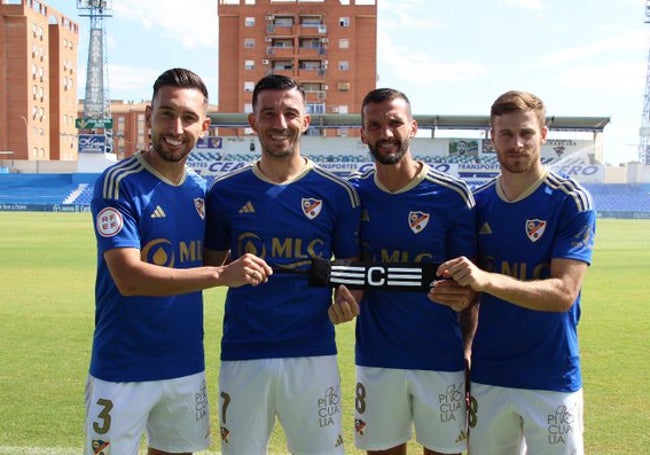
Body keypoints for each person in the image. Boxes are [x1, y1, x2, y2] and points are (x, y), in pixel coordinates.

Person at [85, 68, 272, 455]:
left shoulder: (203, 191)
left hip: (185, 366)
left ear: (203, 126)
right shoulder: (119, 182)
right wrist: (222, 275)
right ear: (150, 115)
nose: (176, 127)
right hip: (123, 369)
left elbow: (210, 261)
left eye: (188, 118)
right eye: (166, 114)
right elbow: (129, 278)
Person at [204, 74, 361, 454]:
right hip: (244, 354)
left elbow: (352, 268)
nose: (280, 123)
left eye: (290, 113)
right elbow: (209, 268)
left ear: (305, 121)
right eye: (269, 113)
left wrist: (349, 299)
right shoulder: (225, 192)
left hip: (313, 353)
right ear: (253, 121)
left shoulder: (337, 193)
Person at [437, 90, 596, 454]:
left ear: (543, 134)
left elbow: (562, 294)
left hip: (552, 375)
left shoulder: (571, 201)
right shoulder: (478, 204)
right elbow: (469, 296)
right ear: (491, 138)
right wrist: (464, 352)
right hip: (490, 375)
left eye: (526, 133)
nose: (517, 143)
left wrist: (486, 279)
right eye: (505, 134)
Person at [349, 87, 477, 455]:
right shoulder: (354, 194)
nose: (385, 133)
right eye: (374, 125)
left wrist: (466, 352)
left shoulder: (452, 195)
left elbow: (471, 289)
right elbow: (351, 267)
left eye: (394, 122)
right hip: (377, 359)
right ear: (362, 133)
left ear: (413, 127)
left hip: (440, 359)